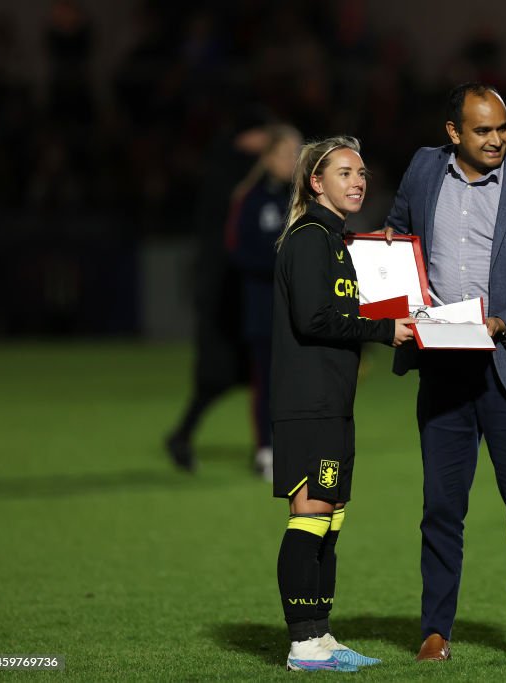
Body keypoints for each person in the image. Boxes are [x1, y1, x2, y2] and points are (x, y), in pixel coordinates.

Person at [384, 83, 506, 664]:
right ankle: (435, 631)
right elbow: (397, 230)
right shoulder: (422, 169)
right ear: (453, 133)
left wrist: (502, 322)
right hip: (442, 368)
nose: (496, 140)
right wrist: (389, 258)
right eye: (483, 130)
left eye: (503, 128)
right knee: (441, 508)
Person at [271, 135, 414, 671]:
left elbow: (351, 303)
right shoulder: (309, 237)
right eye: (345, 173)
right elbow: (314, 318)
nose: (358, 181)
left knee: (330, 518)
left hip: (332, 401)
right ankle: (303, 643)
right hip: (308, 404)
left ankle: (320, 635)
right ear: (316, 182)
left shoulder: (336, 241)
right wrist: (384, 328)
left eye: (361, 174)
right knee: (309, 515)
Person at [165, 107, 273, 472]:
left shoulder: (228, 172)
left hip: (229, 291)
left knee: (253, 375)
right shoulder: (237, 177)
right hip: (225, 293)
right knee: (222, 375)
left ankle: (265, 448)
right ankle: (184, 436)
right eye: (263, 133)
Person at [226, 124, 302, 481]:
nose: (293, 160)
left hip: (300, 308)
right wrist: (283, 263)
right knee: (268, 381)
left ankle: (294, 446)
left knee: (299, 381)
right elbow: (238, 251)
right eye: (287, 153)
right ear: (269, 157)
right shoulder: (251, 198)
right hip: (263, 306)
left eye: (297, 152)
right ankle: (266, 451)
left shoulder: (302, 198)